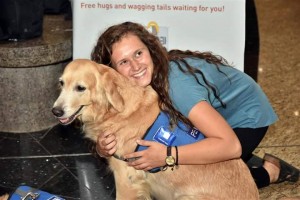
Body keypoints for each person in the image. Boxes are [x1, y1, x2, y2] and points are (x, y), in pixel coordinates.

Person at [90, 21, 299, 188]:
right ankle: (231, 153)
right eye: (123, 62)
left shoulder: (176, 86)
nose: (136, 66)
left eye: (138, 53)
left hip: (245, 117)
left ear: (150, 50)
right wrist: (102, 148)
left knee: (204, 184)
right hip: (207, 118)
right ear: (112, 72)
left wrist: (168, 156)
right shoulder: (127, 87)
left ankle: (269, 172)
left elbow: (231, 145)